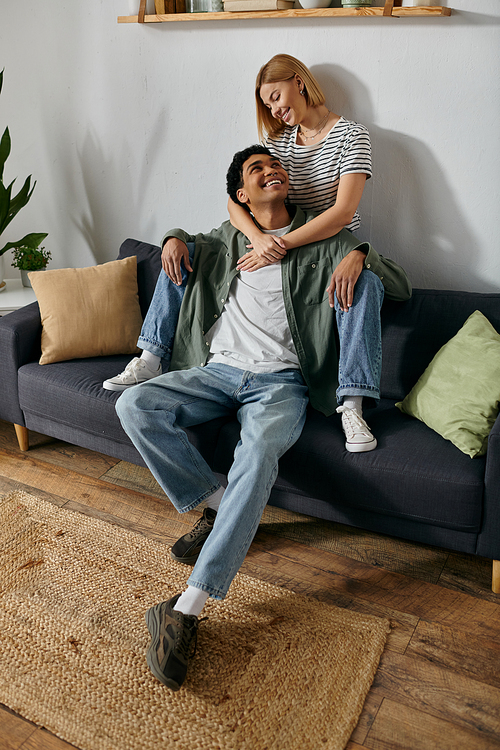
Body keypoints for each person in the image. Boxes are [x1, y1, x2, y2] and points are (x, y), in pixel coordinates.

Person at [115, 145, 411, 691]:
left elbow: (399, 283)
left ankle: (187, 607)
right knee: (134, 404)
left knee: (256, 455)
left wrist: (361, 253)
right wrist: (172, 238)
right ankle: (213, 505)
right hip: (217, 372)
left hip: (281, 386)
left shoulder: (322, 240)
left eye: (276, 166)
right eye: (257, 170)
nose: (272, 171)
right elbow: (185, 242)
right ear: (241, 196)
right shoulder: (226, 240)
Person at [104, 54, 372, 395]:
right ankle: (152, 356)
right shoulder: (280, 142)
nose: (274, 110)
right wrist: (258, 238)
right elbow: (236, 199)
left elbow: (342, 214)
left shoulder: (352, 136)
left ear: (299, 83)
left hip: (327, 246)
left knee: (367, 282)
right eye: (267, 104)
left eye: (275, 97)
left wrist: (279, 246)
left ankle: (352, 402)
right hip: (274, 239)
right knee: (183, 248)